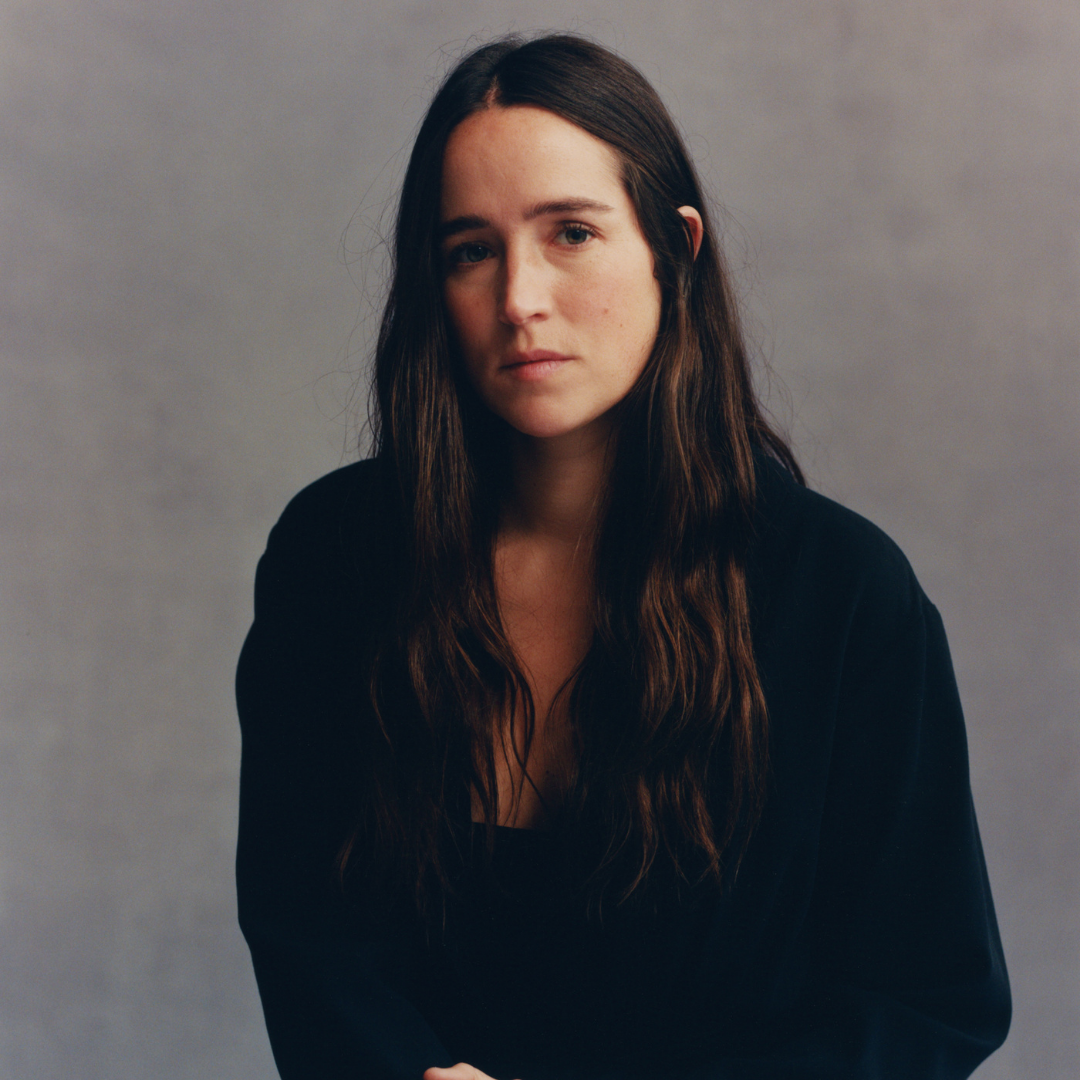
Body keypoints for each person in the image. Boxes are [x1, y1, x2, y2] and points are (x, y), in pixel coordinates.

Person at [236, 34, 1011, 1080]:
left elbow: (929, 996)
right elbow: (307, 931)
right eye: (470, 249)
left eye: (570, 233)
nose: (519, 298)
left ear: (674, 249)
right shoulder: (333, 561)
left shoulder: (843, 596)